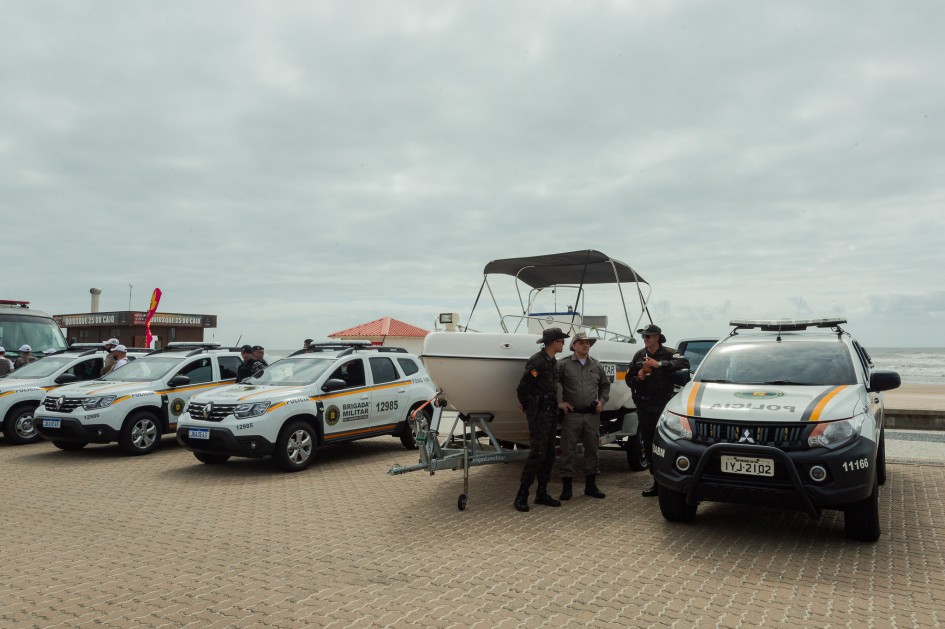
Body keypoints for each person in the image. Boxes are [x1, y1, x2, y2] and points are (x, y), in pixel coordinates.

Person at [627, 324, 690, 497]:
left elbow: (684, 362)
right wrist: (638, 377)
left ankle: (667, 482)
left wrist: (659, 364)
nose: (645, 339)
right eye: (644, 337)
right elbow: (628, 378)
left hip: (663, 407)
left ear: (657, 337)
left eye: (648, 336)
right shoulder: (639, 355)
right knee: (649, 445)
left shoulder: (669, 353)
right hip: (645, 407)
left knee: (664, 444)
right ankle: (656, 481)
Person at [513, 327, 569, 512]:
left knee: (549, 454)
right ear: (554, 342)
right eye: (562, 341)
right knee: (537, 453)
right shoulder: (538, 362)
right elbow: (523, 388)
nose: (564, 344)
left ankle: (542, 493)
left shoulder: (552, 361)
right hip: (539, 415)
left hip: (550, 413)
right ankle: (522, 495)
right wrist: (529, 406)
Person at [556, 332, 610, 500]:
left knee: (592, 450)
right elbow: (550, 383)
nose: (585, 345)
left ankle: (591, 486)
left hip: (591, 415)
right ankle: (567, 488)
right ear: (573, 346)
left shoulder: (596, 365)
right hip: (571, 415)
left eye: (587, 343)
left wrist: (602, 401)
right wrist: (558, 402)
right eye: (581, 343)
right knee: (567, 451)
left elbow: (605, 386)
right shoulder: (563, 364)